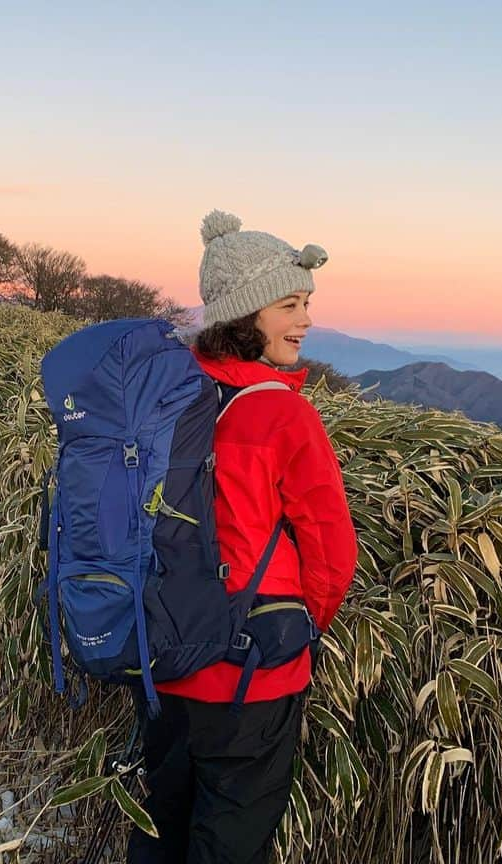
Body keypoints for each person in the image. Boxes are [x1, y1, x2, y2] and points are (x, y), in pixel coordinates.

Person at [127, 210, 358, 864]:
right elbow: (332, 553)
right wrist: (304, 626)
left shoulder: (166, 395)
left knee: (161, 831)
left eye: (307, 302)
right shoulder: (284, 413)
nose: (306, 320)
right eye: (290, 305)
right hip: (253, 674)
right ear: (244, 315)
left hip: (165, 658)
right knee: (230, 842)